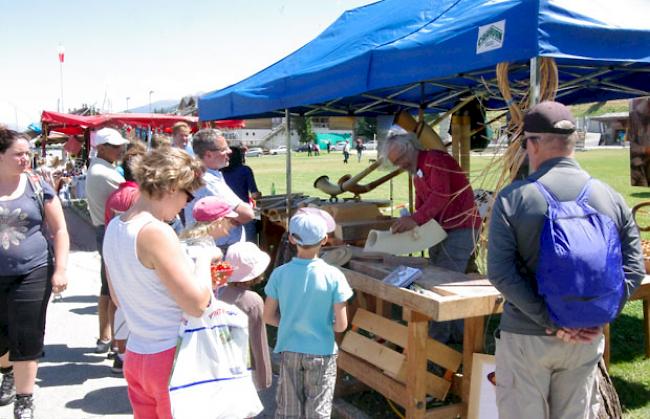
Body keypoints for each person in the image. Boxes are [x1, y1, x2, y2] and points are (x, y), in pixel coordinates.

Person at [487, 101, 645, 419]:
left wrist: (553, 320)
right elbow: (634, 268)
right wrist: (594, 317)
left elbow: (501, 273)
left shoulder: (513, 199)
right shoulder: (610, 197)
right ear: (572, 142)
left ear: (532, 144)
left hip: (527, 338)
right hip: (586, 340)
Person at [103, 148, 212, 419]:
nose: (186, 203)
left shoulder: (115, 226)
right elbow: (197, 304)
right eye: (188, 194)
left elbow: (118, 298)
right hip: (172, 356)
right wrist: (205, 259)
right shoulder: (156, 231)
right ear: (173, 187)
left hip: (138, 355)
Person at [384, 128, 481, 342]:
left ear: (410, 148)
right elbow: (422, 202)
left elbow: (440, 196)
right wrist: (414, 221)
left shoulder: (435, 160)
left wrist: (415, 220)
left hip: (461, 226)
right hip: (441, 229)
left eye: (400, 159)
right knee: (442, 277)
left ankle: (438, 338)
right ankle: (456, 334)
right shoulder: (417, 171)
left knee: (442, 283)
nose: (400, 165)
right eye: (396, 163)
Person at [0, 128, 70, 419]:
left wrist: (61, 269)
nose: (24, 159)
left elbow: (60, 230)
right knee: (2, 337)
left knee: (26, 334)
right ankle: (7, 372)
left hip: (33, 270)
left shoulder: (37, 185)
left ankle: (24, 400)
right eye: (18, 154)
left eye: (27, 153)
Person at [263, 208, 353, 418]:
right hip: (322, 352)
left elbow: (268, 316)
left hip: (290, 349)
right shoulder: (334, 275)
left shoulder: (279, 274)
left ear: (292, 239)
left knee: (288, 410)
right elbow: (341, 325)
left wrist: (290, 323)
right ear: (324, 239)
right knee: (318, 410)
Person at [103, 141, 146, 374]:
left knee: (118, 304)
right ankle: (130, 354)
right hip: (136, 257)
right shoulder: (139, 196)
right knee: (135, 308)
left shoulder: (115, 196)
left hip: (114, 252)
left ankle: (119, 353)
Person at [86, 128, 128, 354]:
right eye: (114, 146)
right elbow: (131, 199)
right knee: (116, 288)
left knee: (107, 286)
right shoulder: (104, 172)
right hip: (112, 230)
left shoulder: (101, 167)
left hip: (105, 229)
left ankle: (106, 337)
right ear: (101, 148)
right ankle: (115, 343)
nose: (120, 149)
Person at [184, 129, 254, 253]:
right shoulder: (208, 180)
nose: (230, 151)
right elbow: (247, 214)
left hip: (213, 248)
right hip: (220, 250)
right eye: (223, 149)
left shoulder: (205, 175)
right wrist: (233, 221)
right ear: (208, 154)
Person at [222, 242, 272, 391]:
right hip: (244, 367)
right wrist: (264, 378)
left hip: (219, 365)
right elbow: (258, 343)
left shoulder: (217, 293)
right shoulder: (252, 301)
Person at [221, 147, 261, 244]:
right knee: (250, 246)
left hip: (225, 215)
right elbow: (255, 195)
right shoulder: (245, 170)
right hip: (243, 212)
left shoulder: (219, 172)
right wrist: (258, 214)